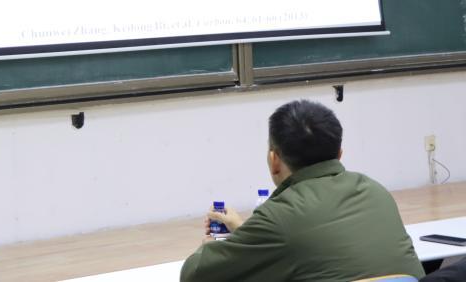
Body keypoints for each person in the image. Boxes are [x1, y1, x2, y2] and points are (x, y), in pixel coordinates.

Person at [180, 99, 424, 282]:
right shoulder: (375, 191)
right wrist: (247, 233)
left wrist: (210, 245)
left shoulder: (279, 217)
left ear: (274, 160)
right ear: (339, 154)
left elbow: (194, 275)